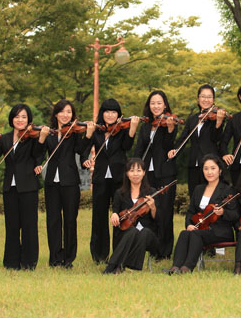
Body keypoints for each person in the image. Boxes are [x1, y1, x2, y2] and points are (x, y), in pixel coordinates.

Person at [0, 104, 44, 270]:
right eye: (17, 116)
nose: (20, 120)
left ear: (29, 119)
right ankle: (11, 262)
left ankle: (29, 262)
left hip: (28, 186)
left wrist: (39, 158)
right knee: (12, 225)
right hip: (10, 187)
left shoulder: (33, 138)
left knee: (29, 225)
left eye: (24, 117)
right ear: (12, 119)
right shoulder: (5, 139)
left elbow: (38, 155)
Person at [38, 100, 95, 268]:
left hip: (70, 180)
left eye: (69, 112)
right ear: (56, 114)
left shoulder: (75, 132)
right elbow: (39, 154)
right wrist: (41, 138)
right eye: (62, 111)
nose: (65, 115)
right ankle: (55, 258)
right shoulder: (49, 133)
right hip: (51, 182)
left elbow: (81, 150)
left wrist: (88, 135)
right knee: (53, 220)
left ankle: (68, 259)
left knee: (70, 220)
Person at [81, 99, 139, 264]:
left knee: (121, 215)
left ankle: (120, 253)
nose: (110, 115)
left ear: (118, 115)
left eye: (114, 112)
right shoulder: (97, 130)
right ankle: (99, 255)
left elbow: (127, 147)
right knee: (99, 216)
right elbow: (83, 149)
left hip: (119, 178)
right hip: (100, 178)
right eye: (107, 111)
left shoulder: (122, 130)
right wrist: (85, 159)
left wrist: (132, 129)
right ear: (102, 113)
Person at [166, 155, 237, 274]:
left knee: (196, 234)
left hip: (220, 231)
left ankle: (187, 267)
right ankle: (175, 267)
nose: (209, 172)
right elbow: (191, 212)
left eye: (213, 168)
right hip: (201, 229)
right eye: (206, 169)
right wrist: (189, 224)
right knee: (184, 233)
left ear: (220, 170)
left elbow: (235, 214)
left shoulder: (228, 190)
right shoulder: (199, 189)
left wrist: (223, 212)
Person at [134, 90, 179, 259]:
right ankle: (153, 248)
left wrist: (170, 129)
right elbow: (139, 148)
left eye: (159, 103)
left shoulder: (170, 122)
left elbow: (169, 145)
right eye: (153, 103)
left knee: (165, 211)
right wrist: (135, 168)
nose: (156, 106)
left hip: (165, 172)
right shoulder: (146, 125)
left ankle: (165, 251)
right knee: (150, 210)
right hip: (148, 174)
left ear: (165, 105)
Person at [169, 84, 227, 193]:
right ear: (198, 98)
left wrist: (219, 122)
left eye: (209, 97)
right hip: (194, 163)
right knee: (194, 194)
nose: (206, 100)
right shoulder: (192, 119)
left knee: (212, 196)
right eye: (203, 96)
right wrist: (175, 150)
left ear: (213, 100)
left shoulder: (217, 117)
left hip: (211, 165)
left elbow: (216, 138)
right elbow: (183, 138)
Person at [104, 158, 159, 274]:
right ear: (127, 173)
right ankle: (116, 267)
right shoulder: (120, 193)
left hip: (148, 235)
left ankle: (119, 266)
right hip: (126, 233)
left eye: (139, 170)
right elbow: (115, 211)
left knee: (143, 232)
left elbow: (158, 219)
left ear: (144, 173)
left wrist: (153, 207)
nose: (135, 174)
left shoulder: (152, 192)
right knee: (132, 231)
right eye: (132, 170)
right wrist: (114, 215)